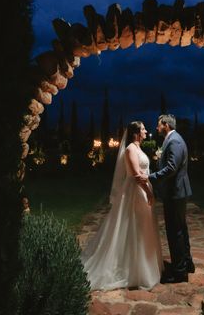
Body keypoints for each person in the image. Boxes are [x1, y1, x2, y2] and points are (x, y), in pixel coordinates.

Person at [81, 121, 163, 290]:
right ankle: (134, 269)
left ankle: (144, 265)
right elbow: (136, 175)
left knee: (142, 228)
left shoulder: (138, 148)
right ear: (136, 133)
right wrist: (148, 192)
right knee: (134, 227)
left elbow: (143, 174)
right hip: (135, 193)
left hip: (142, 191)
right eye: (143, 129)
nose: (146, 131)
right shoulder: (130, 149)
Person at [137, 114, 194, 283]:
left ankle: (179, 272)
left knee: (174, 231)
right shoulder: (174, 139)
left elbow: (171, 168)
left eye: (159, 125)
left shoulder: (174, 141)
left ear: (166, 125)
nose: (156, 128)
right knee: (181, 229)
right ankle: (187, 263)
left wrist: (151, 177)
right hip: (177, 192)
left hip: (175, 192)